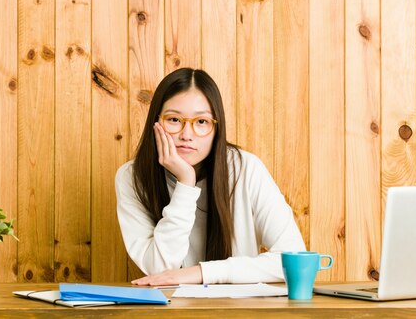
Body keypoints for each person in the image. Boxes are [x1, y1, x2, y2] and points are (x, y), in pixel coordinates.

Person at [115, 67, 305, 286]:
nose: (187, 135)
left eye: (201, 122)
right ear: (155, 122)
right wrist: (186, 184)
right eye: (174, 120)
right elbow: (160, 270)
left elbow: (294, 261)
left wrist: (201, 273)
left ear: (216, 128)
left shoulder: (245, 168)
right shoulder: (132, 177)